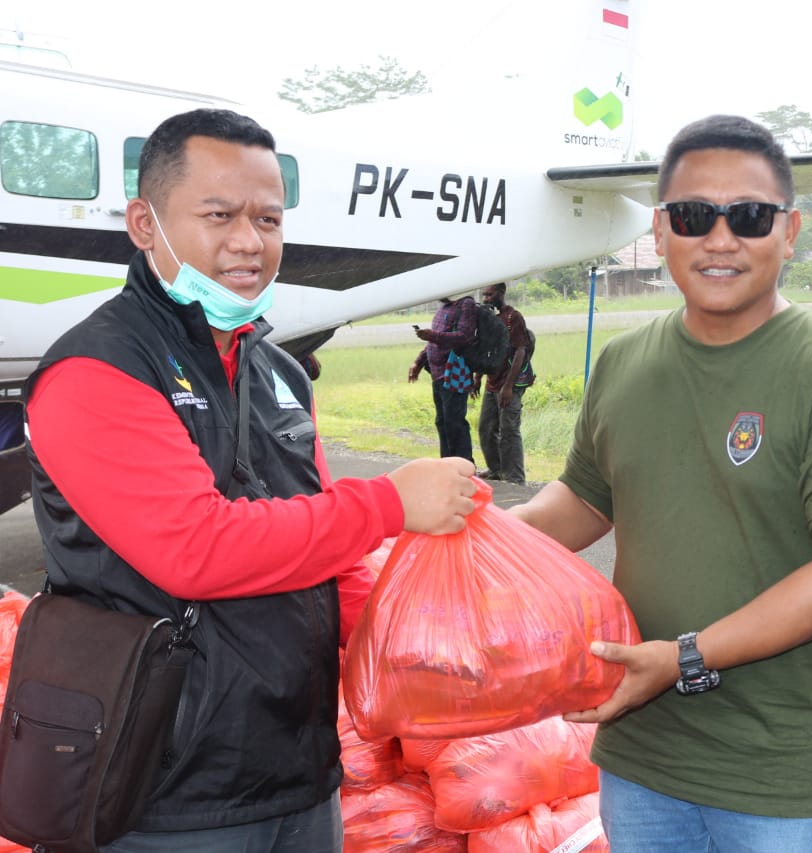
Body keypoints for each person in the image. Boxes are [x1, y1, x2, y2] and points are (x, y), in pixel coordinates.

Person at [23, 108, 477, 851]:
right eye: (219, 214)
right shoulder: (97, 370)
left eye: (269, 218)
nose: (249, 241)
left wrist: (416, 645)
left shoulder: (280, 373)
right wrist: (392, 501)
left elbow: (330, 544)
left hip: (297, 773)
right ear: (144, 222)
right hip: (161, 791)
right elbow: (193, 547)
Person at [510, 114, 812, 852]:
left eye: (751, 217)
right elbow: (584, 500)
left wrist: (685, 656)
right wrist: (476, 535)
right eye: (695, 216)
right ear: (661, 232)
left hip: (785, 780)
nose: (721, 239)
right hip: (643, 757)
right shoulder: (625, 364)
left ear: (789, 231)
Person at [477, 281, 535, 484]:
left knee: (509, 430)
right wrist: (478, 378)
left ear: (501, 293)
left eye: (489, 294)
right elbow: (485, 350)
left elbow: (521, 351)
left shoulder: (513, 317)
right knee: (486, 427)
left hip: (508, 385)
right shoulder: (489, 318)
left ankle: (515, 479)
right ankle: (496, 469)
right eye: (483, 295)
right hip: (491, 382)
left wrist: (508, 387)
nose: (486, 299)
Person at [409, 293, 478, 461]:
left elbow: (464, 337)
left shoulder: (466, 304)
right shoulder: (444, 308)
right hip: (437, 374)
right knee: (442, 422)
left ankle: (464, 466)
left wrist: (432, 335)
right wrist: (418, 363)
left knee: (454, 422)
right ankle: (446, 464)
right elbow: (432, 343)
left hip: (454, 372)